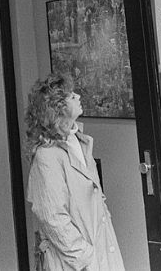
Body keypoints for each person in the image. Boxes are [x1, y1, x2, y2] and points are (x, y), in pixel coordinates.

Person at [25, 73, 125, 270]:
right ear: (57, 108)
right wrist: (85, 257)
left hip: (101, 249)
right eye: (71, 96)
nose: (78, 96)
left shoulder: (80, 142)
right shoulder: (47, 156)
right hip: (75, 262)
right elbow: (52, 218)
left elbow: (97, 197)